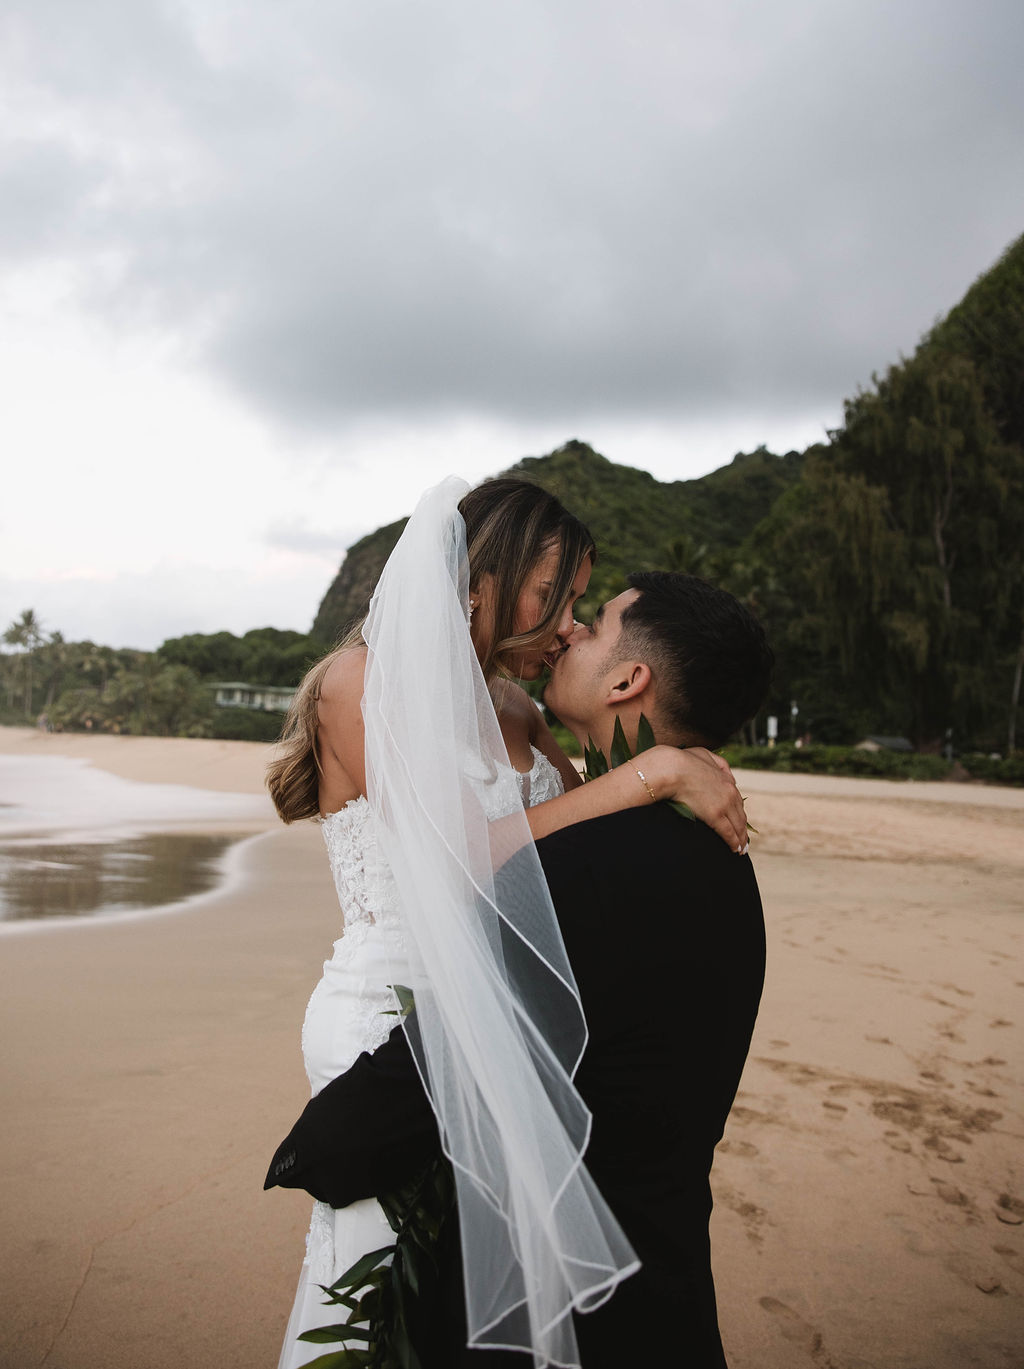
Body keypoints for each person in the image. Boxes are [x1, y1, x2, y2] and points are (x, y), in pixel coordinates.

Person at [267, 478, 753, 1369]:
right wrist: (653, 774)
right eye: (554, 596)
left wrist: (660, 772)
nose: (567, 625)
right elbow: (462, 862)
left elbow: (579, 853)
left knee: (453, 1284)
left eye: (579, 606)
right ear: (482, 581)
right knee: (375, 1287)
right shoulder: (360, 682)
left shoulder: (519, 710)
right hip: (391, 1013)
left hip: (501, 1014)